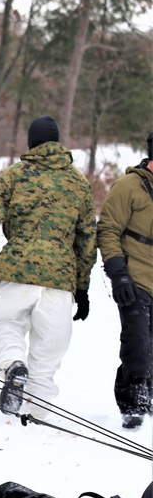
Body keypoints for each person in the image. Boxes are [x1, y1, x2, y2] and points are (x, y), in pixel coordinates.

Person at [0, 115, 97, 420]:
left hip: (17, 268)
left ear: (31, 142)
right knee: (49, 347)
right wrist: (82, 287)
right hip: (60, 275)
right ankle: (38, 413)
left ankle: (12, 364)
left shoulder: (15, 175)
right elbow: (87, 239)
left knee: (4, 326)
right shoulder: (78, 181)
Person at [96, 131, 153, 430]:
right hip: (136, 277)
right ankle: (132, 402)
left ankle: (150, 393)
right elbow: (107, 230)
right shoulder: (128, 186)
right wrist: (118, 273)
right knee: (138, 344)